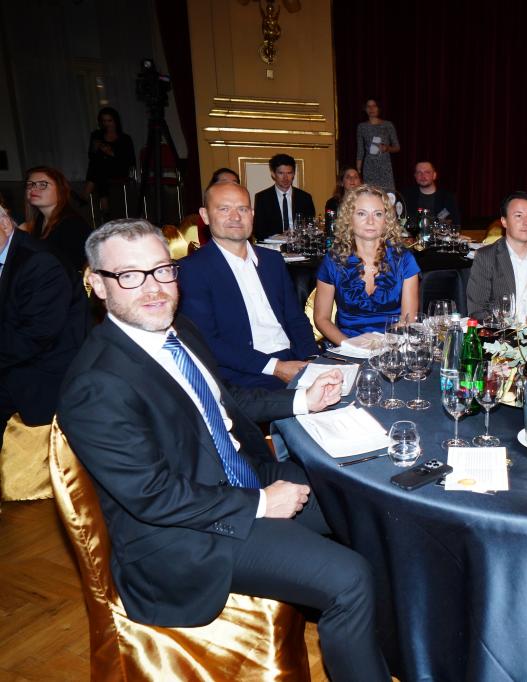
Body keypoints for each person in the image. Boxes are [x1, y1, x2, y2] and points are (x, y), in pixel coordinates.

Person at [57, 219, 390, 681]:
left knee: (367, 503)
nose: (154, 288)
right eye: (130, 275)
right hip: (185, 539)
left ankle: (385, 648)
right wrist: (260, 503)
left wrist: (302, 400)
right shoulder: (96, 384)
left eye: (162, 270)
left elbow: (225, 400)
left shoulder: (178, 330)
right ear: (97, 284)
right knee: (349, 579)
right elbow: (153, 495)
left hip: (237, 477)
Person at [178, 182, 318, 390]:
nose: (235, 217)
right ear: (205, 216)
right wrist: (276, 367)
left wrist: (312, 360)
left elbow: (295, 319)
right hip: (246, 374)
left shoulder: (272, 261)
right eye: (224, 209)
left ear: (252, 214)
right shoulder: (193, 269)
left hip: (293, 359)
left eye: (242, 209)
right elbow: (207, 341)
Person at [0, 197, 88, 449]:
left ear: (5, 224)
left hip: (44, 377)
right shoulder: (8, 251)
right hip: (16, 361)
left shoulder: (39, 262)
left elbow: (36, 335)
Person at [313, 185, 419, 342]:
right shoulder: (334, 260)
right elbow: (321, 318)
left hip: (392, 346)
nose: (370, 221)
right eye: (361, 213)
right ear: (349, 218)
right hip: (346, 345)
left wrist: (385, 347)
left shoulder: (404, 259)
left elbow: (407, 320)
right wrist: (351, 346)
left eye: (378, 214)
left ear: (386, 220)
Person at [466, 191, 527, 321]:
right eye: (518, 216)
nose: (526, 222)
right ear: (504, 221)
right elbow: (477, 310)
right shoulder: (486, 257)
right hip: (501, 331)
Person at [22, 166, 92, 273]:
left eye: (43, 184)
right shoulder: (39, 220)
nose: (33, 189)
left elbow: (74, 268)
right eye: (30, 184)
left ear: (60, 191)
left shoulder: (72, 224)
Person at [84, 107, 136, 216]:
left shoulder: (125, 138)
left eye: (109, 121)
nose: (107, 124)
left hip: (119, 169)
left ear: (115, 121)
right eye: (104, 121)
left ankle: (85, 196)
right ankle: (104, 203)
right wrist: (95, 148)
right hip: (101, 169)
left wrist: (112, 153)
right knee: (99, 166)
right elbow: (91, 156)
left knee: (98, 167)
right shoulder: (97, 135)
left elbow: (130, 160)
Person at [252, 154, 316, 242]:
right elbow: (258, 231)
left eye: (289, 173)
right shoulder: (262, 198)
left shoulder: (305, 198)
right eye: (281, 173)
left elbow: (310, 226)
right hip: (273, 245)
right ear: (273, 174)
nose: (285, 178)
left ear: (293, 174)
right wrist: (280, 236)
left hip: (299, 243)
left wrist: (296, 234)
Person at [356, 99, 400, 191]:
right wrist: (358, 170)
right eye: (368, 106)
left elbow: (397, 147)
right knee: (370, 193)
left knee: (387, 194)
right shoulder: (361, 127)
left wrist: (387, 148)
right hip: (369, 166)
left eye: (374, 106)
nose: (371, 109)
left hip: (385, 165)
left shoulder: (388, 125)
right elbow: (360, 150)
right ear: (365, 109)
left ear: (378, 108)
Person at [403, 161, 461, 225]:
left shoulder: (447, 198)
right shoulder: (406, 196)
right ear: (415, 176)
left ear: (434, 175)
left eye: (427, 172)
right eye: (419, 172)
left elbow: (456, 223)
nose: (423, 176)